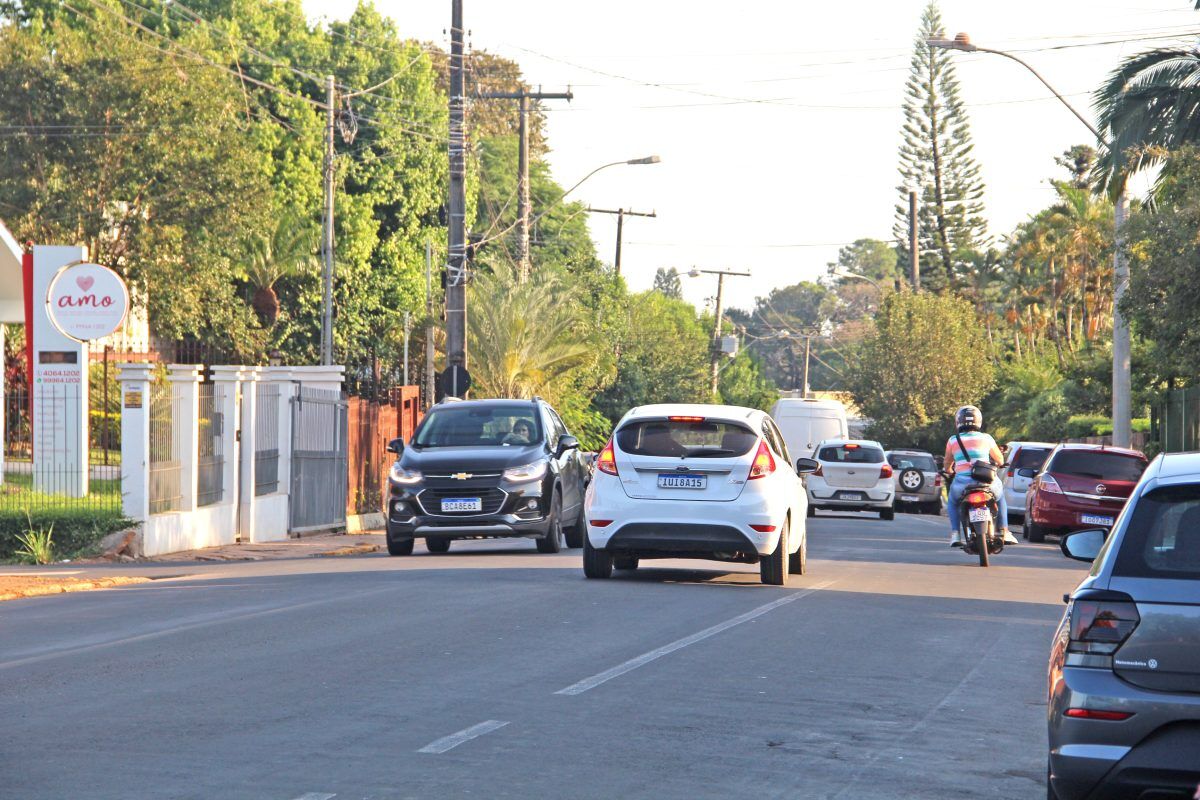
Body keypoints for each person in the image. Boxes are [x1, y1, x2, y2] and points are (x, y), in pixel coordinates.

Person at [943, 405, 1018, 547]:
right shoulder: (986, 438)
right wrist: (998, 462)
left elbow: (948, 462)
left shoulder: (953, 440)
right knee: (1000, 497)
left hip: (962, 483)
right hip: (986, 482)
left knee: (952, 502)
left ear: (958, 421)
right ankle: (1005, 531)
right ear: (979, 421)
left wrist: (949, 470)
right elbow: (1000, 461)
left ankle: (955, 534)